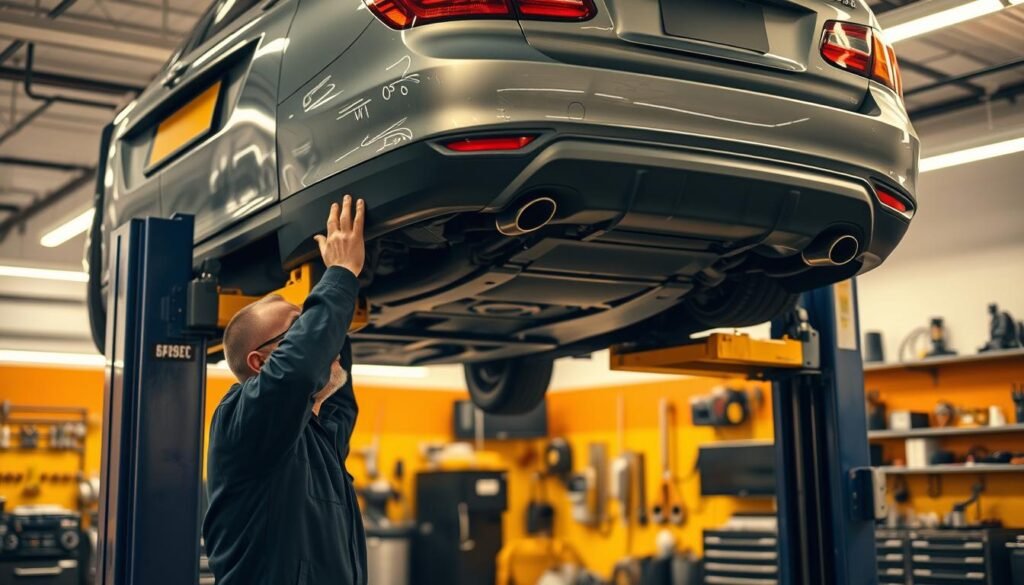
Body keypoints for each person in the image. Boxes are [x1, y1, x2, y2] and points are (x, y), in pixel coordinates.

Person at [203, 195, 367, 585]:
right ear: (259, 364)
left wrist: (334, 284)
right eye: (298, 327)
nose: (313, 338)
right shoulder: (241, 421)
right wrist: (342, 273)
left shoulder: (314, 440)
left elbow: (321, 372)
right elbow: (297, 372)